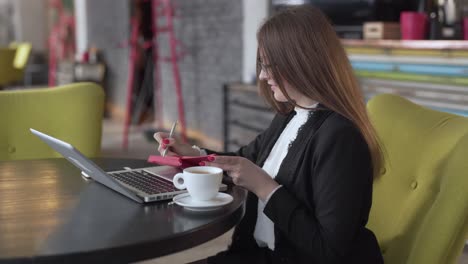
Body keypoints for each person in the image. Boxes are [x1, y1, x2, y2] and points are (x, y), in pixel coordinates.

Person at [154, 5, 383, 264]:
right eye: (262, 65)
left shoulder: (340, 139)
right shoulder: (291, 115)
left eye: (269, 65)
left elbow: (328, 250)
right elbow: (245, 160)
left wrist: (266, 188)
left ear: (302, 64)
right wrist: (194, 155)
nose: (262, 75)